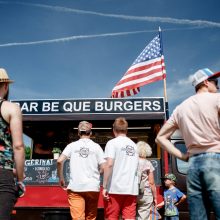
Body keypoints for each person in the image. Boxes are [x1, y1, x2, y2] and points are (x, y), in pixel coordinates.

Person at [156, 68, 220, 220]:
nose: (217, 86)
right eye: (215, 82)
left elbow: (160, 138)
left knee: (198, 215)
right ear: (205, 82)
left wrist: (183, 156)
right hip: (215, 158)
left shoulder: (180, 108)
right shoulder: (216, 98)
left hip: (193, 164)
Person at [57, 121, 105, 220]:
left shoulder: (72, 146)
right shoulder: (96, 147)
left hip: (76, 187)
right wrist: (98, 172)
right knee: (90, 217)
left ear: (78, 133)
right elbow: (104, 167)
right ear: (90, 133)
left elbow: (59, 161)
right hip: (92, 187)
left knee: (78, 218)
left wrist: (61, 178)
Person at [0, 68, 25, 220]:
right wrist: (20, 179)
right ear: (6, 86)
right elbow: (18, 147)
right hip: (3, 174)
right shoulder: (11, 108)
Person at [102, 117, 139, 220]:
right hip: (131, 188)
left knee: (112, 217)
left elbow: (109, 164)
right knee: (129, 218)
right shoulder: (134, 145)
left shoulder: (112, 143)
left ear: (114, 130)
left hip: (115, 188)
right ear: (126, 130)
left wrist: (104, 186)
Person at [136, 141, 157, 220]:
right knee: (143, 217)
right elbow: (151, 182)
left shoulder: (132, 162)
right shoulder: (148, 163)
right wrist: (155, 197)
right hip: (145, 193)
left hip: (132, 192)